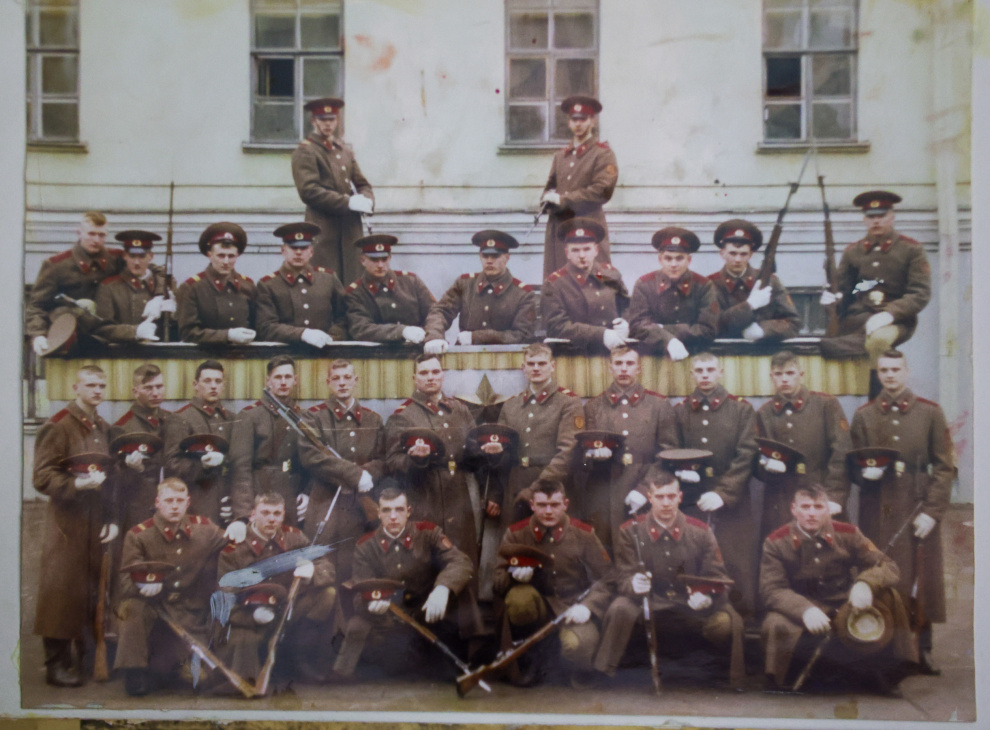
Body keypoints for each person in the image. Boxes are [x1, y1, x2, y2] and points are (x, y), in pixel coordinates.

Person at [849, 349, 953, 675]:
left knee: (921, 576)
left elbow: (945, 467)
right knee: (880, 572)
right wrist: (862, 474)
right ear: (878, 374)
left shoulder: (930, 413)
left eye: (896, 369)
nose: (890, 375)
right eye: (884, 370)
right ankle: (883, 648)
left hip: (916, 505)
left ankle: (923, 649)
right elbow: (851, 464)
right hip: (877, 506)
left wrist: (932, 511)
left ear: (906, 371)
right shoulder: (864, 415)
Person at [759, 485, 916, 695]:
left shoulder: (849, 533)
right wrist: (804, 610)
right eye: (805, 507)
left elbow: (889, 566)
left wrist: (865, 584)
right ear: (793, 509)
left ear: (828, 509)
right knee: (775, 623)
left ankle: (889, 673)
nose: (812, 513)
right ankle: (781, 678)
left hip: (844, 602)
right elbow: (772, 589)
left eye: (818, 507)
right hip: (802, 603)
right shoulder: (776, 541)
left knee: (889, 596)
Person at [593, 469, 740, 685]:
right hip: (649, 601)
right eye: (660, 497)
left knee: (725, 622)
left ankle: (719, 673)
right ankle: (605, 673)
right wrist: (633, 583)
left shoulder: (700, 531)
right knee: (620, 607)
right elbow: (622, 576)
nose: (666, 503)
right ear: (650, 498)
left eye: (671, 496)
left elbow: (717, 577)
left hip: (688, 603)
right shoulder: (630, 531)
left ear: (680, 497)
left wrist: (706, 596)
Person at [331, 486, 475, 680]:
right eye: (386, 510)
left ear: (408, 511)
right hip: (391, 620)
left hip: (428, 613)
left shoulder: (428, 532)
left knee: (458, 592)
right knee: (395, 667)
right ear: (378, 513)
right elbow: (360, 593)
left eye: (399, 510)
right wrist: (371, 605)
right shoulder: (365, 546)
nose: (393, 517)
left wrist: (442, 588)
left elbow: (461, 562)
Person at [32, 365, 115, 687]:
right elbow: (42, 476)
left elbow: (111, 480)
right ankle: (56, 663)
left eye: (101, 385)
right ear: (75, 388)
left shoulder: (103, 428)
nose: (97, 390)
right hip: (67, 522)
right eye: (90, 385)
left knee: (91, 589)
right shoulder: (59, 426)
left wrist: (111, 519)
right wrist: (76, 484)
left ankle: (86, 656)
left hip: (96, 520)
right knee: (61, 590)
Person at [114, 478, 229, 696]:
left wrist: (240, 527)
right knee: (131, 608)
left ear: (188, 502)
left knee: (199, 679)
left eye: (179, 501)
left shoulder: (204, 529)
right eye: (169, 501)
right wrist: (143, 587)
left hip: (187, 613)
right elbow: (126, 581)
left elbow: (232, 543)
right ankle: (134, 671)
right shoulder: (139, 535)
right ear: (157, 502)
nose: (174, 506)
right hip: (153, 612)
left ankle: (166, 668)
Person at [493, 479, 613, 686]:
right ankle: (530, 658)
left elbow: (609, 577)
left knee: (578, 646)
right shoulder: (516, 534)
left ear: (565, 504)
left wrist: (588, 606)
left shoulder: (583, 534)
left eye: (554, 505)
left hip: (571, 607)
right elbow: (497, 580)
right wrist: (513, 577)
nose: (548, 511)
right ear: (532, 505)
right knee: (520, 599)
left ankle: (568, 667)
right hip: (537, 606)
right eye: (542, 505)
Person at [216, 492, 337, 684]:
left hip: (287, 610)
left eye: (277, 513)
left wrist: (312, 571)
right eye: (265, 513)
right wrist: (250, 617)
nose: (271, 519)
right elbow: (225, 598)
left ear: (283, 515)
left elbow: (325, 564)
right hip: (249, 616)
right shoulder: (235, 549)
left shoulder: (294, 537)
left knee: (327, 595)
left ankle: (299, 657)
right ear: (253, 514)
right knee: (246, 674)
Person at [673, 352, 758, 617]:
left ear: (720, 372)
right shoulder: (681, 410)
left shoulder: (741, 409)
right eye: (699, 371)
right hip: (693, 497)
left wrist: (724, 493)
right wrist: (683, 470)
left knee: (734, 558)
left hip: (733, 499)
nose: (705, 375)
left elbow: (747, 454)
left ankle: (741, 618)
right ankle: (698, 619)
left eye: (710, 369)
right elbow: (671, 448)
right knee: (695, 558)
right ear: (692, 374)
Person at [579, 346, 677, 550]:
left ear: (638, 369)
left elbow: (668, 454)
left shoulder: (659, 405)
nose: (624, 369)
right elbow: (582, 457)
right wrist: (592, 455)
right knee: (605, 551)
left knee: (641, 551)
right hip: (604, 492)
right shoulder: (594, 406)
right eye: (618, 363)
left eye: (630, 364)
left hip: (643, 490)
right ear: (610, 368)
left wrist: (645, 490)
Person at [820, 191, 932, 367]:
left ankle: (877, 385)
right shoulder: (852, 252)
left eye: (882, 215)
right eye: (871, 217)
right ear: (864, 219)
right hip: (859, 319)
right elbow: (844, 291)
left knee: (878, 341)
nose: (876, 221)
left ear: (892, 217)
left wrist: (890, 313)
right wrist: (832, 300)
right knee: (825, 346)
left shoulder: (911, 249)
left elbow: (920, 293)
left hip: (897, 320)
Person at [385, 354, 480, 560]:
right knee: (428, 560)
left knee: (463, 557)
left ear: (443, 375)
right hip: (425, 497)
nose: (430, 377)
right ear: (414, 378)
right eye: (424, 373)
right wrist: (414, 459)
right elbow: (392, 461)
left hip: (459, 498)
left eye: (435, 372)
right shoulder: (403, 415)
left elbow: (474, 452)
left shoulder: (460, 410)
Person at [299, 358, 384, 584]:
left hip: (361, 503)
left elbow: (383, 458)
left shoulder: (373, 419)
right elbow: (311, 456)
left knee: (358, 566)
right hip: (325, 501)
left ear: (356, 380)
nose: (342, 383)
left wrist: (367, 473)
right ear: (328, 382)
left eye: (347, 378)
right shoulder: (314, 417)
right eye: (336, 378)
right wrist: (355, 475)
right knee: (323, 567)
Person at [754, 350, 850, 538]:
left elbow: (841, 452)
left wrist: (834, 496)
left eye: (790, 373)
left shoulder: (825, 404)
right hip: (781, 500)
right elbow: (756, 461)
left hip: (820, 496)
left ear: (801, 374)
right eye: (778, 374)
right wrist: (766, 466)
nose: (784, 379)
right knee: (783, 549)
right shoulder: (764, 414)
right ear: (771, 377)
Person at [489, 344, 583, 525]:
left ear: (552, 366)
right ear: (523, 368)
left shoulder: (568, 402)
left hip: (552, 492)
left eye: (542, 363)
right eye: (531, 364)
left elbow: (567, 452)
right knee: (516, 541)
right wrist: (496, 495)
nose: (536, 368)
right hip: (515, 490)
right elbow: (502, 459)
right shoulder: (511, 406)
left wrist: (535, 490)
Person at [291, 97, 374, 285]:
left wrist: (367, 200)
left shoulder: (344, 150)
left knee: (353, 282)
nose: (328, 124)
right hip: (324, 230)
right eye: (323, 119)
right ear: (314, 121)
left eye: (332, 119)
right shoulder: (306, 151)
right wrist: (348, 202)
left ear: (337, 121)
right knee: (325, 282)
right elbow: (309, 190)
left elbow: (362, 183)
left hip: (350, 230)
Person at [540, 95, 618, 280]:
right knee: (559, 281)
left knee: (592, 282)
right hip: (560, 229)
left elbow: (602, 191)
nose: (578, 124)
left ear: (592, 121)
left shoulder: (602, 153)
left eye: (583, 119)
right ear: (569, 123)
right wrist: (546, 200)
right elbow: (550, 187)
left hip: (588, 225)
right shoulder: (561, 156)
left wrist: (563, 200)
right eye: (574, 119)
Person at [229, 356, 309, 531]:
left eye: (288, 377)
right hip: (260, 493)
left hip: (290, 495)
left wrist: (307, 493)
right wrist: (244, 513)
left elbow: (310, 460)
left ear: (295, 380)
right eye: (278, 377)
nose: (283, 382)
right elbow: (241, 468)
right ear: (268, 381)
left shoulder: (302, 417)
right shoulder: (250, 416)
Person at [27, 211, 124, 355]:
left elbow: (148, 268)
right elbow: (37, 305)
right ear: (79, 233)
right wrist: (38, 334)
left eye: (101, 235)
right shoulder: (56, 265)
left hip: (110, 339)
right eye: (91, 234)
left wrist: (158, 295)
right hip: (71, 340)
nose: (96, 240)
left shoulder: (117, 259)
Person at [423, 230, 536, 352]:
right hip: (467, 354)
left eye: (495, 256)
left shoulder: (523, 293)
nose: (489, 261)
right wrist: (434, 336)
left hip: (506, 356)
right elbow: (441, 311)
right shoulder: (465, 284)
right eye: (485, 256)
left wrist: (477, 337)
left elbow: (523, 334)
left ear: (507, 257)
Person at [163, 360, 240, 529]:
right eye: (207, 381)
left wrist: (236, 502)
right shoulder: (181, 418)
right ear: (195, 385)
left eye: (218, 381)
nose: (213, 386)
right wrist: (202, 466)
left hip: (229, 502)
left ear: (223, 385)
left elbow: (240, 462)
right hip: (198, 503)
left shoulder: (232, 419)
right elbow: (171, 465)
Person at [626, 227, 719, 360]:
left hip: (694, 357)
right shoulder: (644, 284)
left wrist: (663, 329)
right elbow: (637, 325)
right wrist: (668, 341)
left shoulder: (703, 286)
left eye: (679, 258)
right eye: (668, 258)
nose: (673, 264)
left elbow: (708, 329)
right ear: (660, 259)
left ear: (689, 260)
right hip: (653, 359)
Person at [541, 218, 631, 351]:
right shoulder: (555, 284)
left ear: (596, 250)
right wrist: (601, 335)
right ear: (567, 253)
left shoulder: (610, 274)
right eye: (575, 250)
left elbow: (627, 306)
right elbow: (557, 327)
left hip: (615, 351)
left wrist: (626, 323)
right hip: (575, 354)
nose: (582, 255)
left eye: (587, 249)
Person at [255, 222, 349, 347]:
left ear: (311, 252)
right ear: (283, 251)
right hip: (285, 352)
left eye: (304, 248)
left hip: (325, 350)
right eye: (293, 248)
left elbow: (344, 317)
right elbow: (266, 327)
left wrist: (332, 336)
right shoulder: (268, 284)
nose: (298, 252)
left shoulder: (328, 279)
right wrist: (301, 334)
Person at [707, 219, 799, 342]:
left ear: (751, 255)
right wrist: (749, 305)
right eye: (733, 253)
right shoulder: (710, 285)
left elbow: (793, 323)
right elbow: (710, 325)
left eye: (743, 254)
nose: (738, 259)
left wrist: (763, 330)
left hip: (763, 351)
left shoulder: (771, 281)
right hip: (724, 351)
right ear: (722, 253)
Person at [110, 363, 172, 531]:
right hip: (139, 509)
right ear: (135, 391)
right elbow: (115, 479)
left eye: (159, 386)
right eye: (148, 388)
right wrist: (134, 469)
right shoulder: (123, 427)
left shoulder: (173, 420)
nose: (155, 393)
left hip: (172, 507)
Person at [344, 235, 435, 344]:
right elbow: (360, 329)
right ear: (363, 260)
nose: (380, 265)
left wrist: (433, 336)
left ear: (390, 257)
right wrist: (401, 331)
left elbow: (434, 313)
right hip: (380, 352)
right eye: (374, 260)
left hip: (417, 347)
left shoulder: (411, 282)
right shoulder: (355, 293)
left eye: (384, 259)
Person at [175, 222, 256, 345]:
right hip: (206, 353)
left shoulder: (247, 285)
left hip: (243, 354)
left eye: (231, 256)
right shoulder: (192, 287)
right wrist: (227, 335)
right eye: (221, 255)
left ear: (237, 256)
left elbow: (256, 324)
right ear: (210, 255)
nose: (226, 261)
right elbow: (187, 333)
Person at [95, 230, 173, 343]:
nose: (136, 262)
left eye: (142, 256)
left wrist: (173, 313)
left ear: (151, 256)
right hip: (124, 350)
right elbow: (102, 328)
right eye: (132, 256)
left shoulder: (162, 284)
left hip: (159, 351)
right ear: (125, 256)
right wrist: (134, 332)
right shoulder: (109, 287)